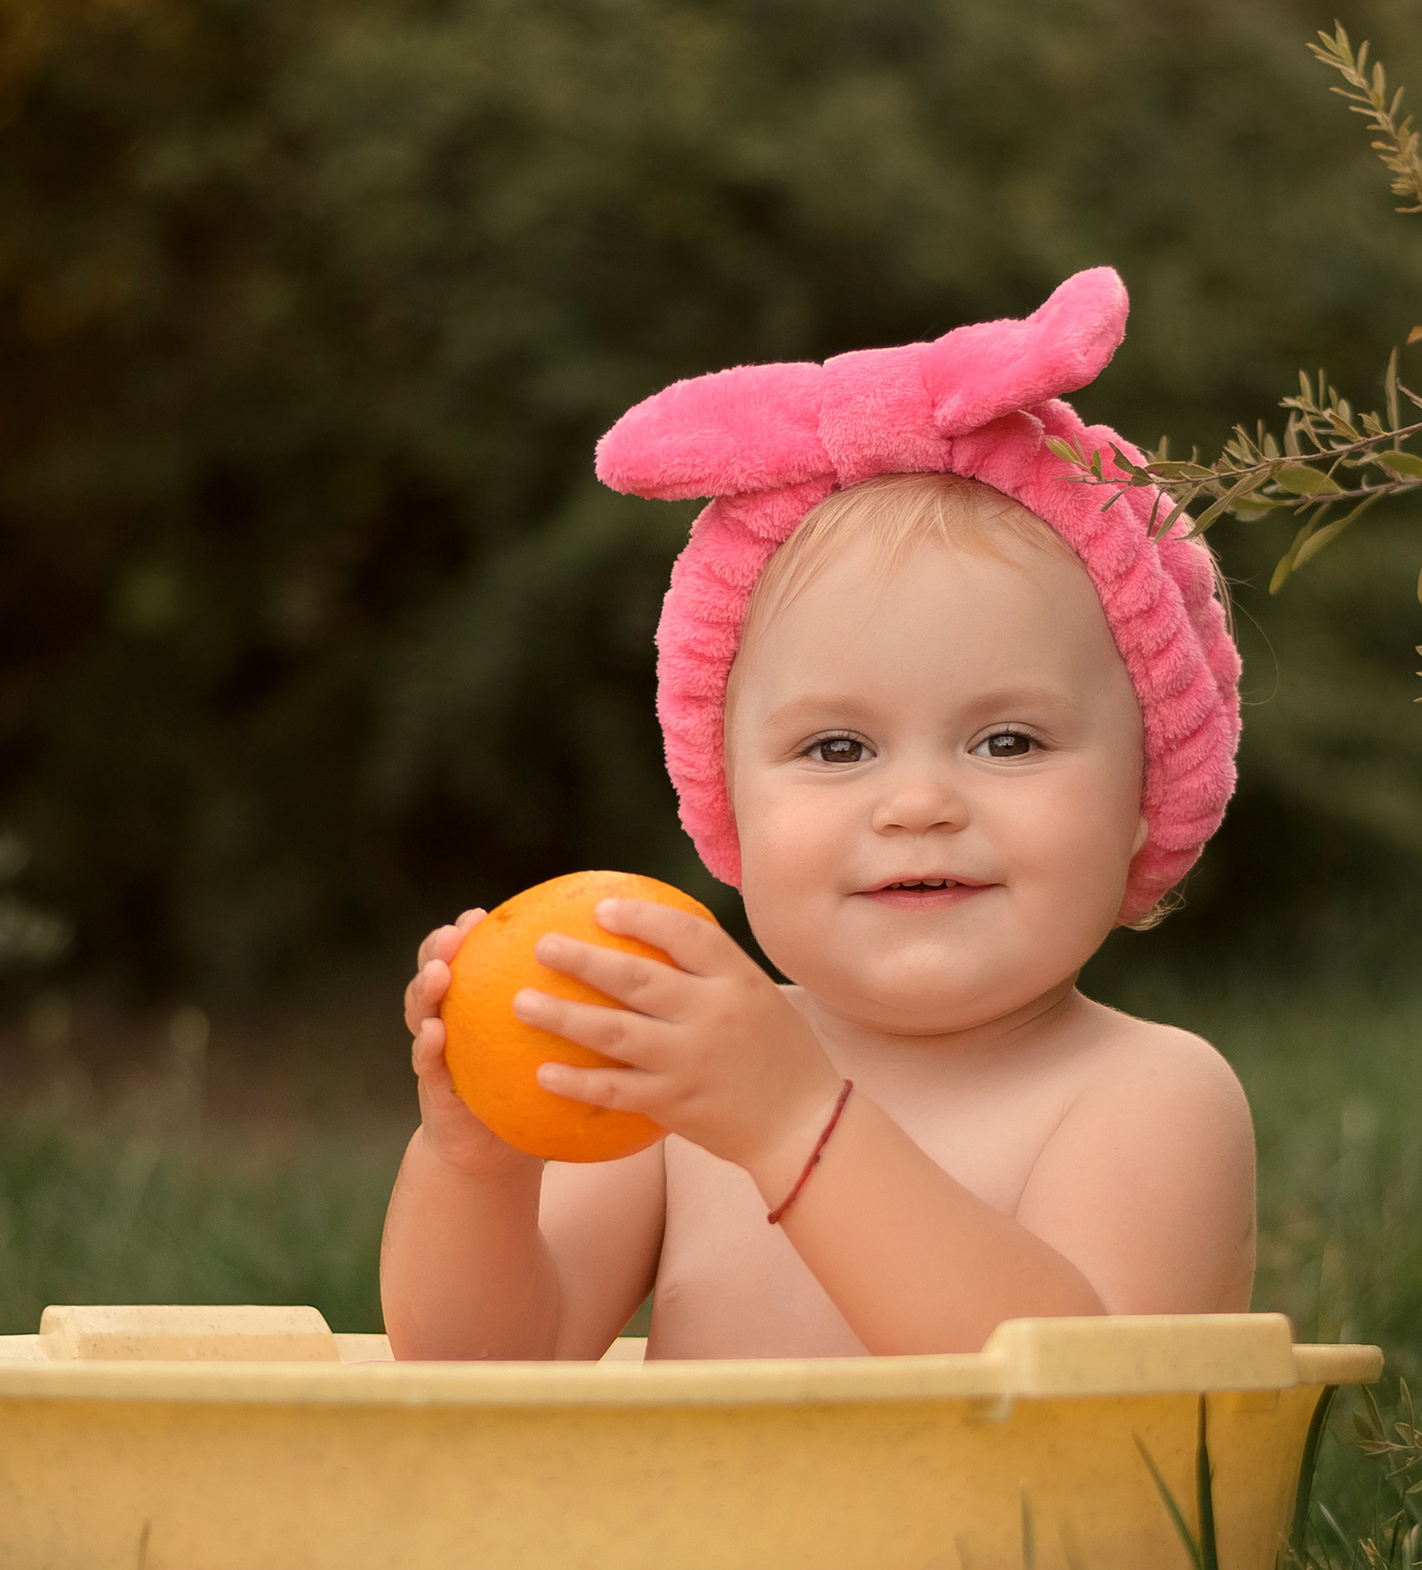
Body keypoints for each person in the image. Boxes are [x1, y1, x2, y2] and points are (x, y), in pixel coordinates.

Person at [381, 268, 1254, 1361]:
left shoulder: (1150, 1097)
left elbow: (1081, 1418)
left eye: (1009, 742)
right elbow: (481, 1377)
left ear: (1148, 788)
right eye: (837, 748)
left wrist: (796, 1125)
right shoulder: (686, 1084)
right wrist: (481, 1164)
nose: (922, 803)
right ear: (729, 808)